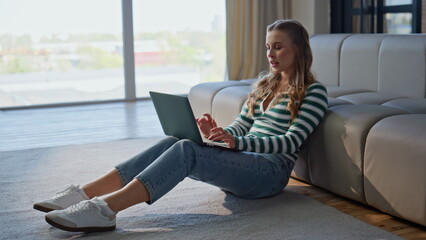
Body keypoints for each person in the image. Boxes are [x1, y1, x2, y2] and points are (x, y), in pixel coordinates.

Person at [33, 19, 328, 232]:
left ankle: (105, 210)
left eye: (278, 47)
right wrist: (220, 133)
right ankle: (84, 193)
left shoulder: (313, 92)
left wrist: (239, 143)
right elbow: (242, 126)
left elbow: (291, 141)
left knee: (187, 151)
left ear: (299, 49)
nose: (271, 54)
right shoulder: (264, 85)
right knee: (175, 141)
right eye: (268, 47)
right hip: (246, 162)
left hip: (270, 173)